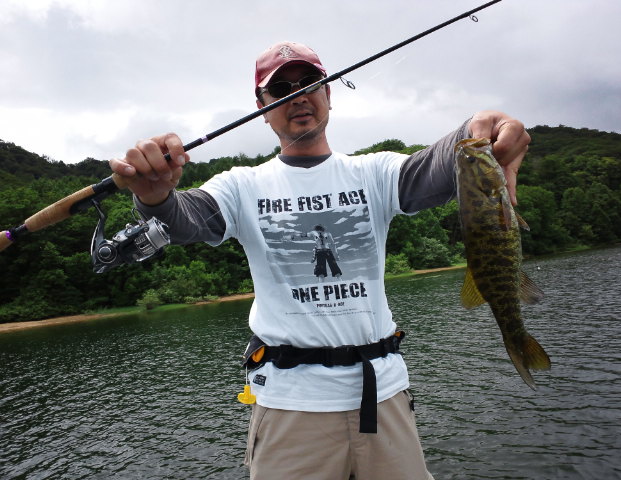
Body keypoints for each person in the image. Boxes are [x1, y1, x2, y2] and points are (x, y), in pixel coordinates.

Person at [109, 41, 530, 480]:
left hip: (384, 396)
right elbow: (185, 219)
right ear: (262, 108)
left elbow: (440, 164)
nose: (299, 96)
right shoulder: (240, 186)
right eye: (281, 89)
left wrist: (481, 127)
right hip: (289, 406)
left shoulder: (376, 172)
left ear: (328, 93)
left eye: (310, 83)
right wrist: (154, 196)